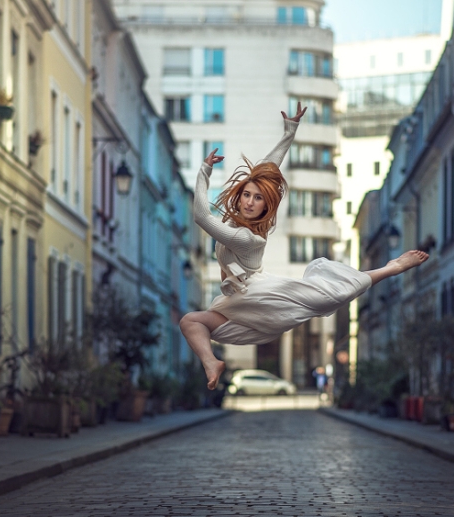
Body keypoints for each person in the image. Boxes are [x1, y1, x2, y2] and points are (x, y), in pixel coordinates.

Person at [180, 103, 429, 390]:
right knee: (190, 322)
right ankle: (212, 363)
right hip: (237, 303)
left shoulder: (247, 239)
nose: (249, 201)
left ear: (267, 206)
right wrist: (289, 133)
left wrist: (204, 172)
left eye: (258, 198)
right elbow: (269, 170)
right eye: (246, 194)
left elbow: (201, 215)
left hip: (260, 297)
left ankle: (391, 267)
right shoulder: (234, 225)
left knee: (327, 296)